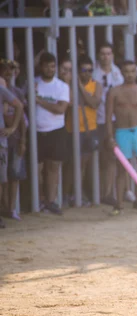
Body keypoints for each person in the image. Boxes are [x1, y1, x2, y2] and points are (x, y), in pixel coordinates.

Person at [105, 60, 137, 215]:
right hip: (122, 131)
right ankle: (119, 204)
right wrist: (110, 137)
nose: (130, 74)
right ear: (122, 73)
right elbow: (108, 117)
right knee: (122, 170)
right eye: (126, 71)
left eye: (133, 71)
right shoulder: (114, 92)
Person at [64, 54, 102, 207]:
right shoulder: (68, 85)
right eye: (83, 70)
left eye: (90, 70)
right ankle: (66, 195)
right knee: (71, 165)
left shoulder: (96, 85)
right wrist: (72, 84)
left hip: (89, 129)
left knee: (84, 165)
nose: (87, 73)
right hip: (72, 129)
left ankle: (77, 194)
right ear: (78, 71)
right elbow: (69, 102)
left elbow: (94, 103)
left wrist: (80, 86)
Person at [35, 52, 70, 215]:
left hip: (56, 130)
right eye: (47, 66)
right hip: (37, 131)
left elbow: (60, 109)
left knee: (53, 167)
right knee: (37, 168)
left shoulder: (62, 86)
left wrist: (39, 100)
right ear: (41, 66)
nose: (50, 69)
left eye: (52, 66)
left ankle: (51, 201)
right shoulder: (33, 83)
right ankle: (39, 200)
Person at [93, 42, 124, 206]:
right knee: (100, 159)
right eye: (103, 53)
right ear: (99, 55)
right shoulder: (94, 73)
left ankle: (108, 192)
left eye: (108, 53)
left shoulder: (117, 72)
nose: (106, 57)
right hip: (97, 119)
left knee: (112, 158)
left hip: (114, 120)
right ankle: (99, 192)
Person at [0, 60, 27, 222]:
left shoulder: (12, 91)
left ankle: (10, 210)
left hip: (8, 139)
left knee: (10, 177)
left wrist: (20, 136)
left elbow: (21, 113)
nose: (9, 73)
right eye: (5, 70)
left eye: (12, 69)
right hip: (5, 139)